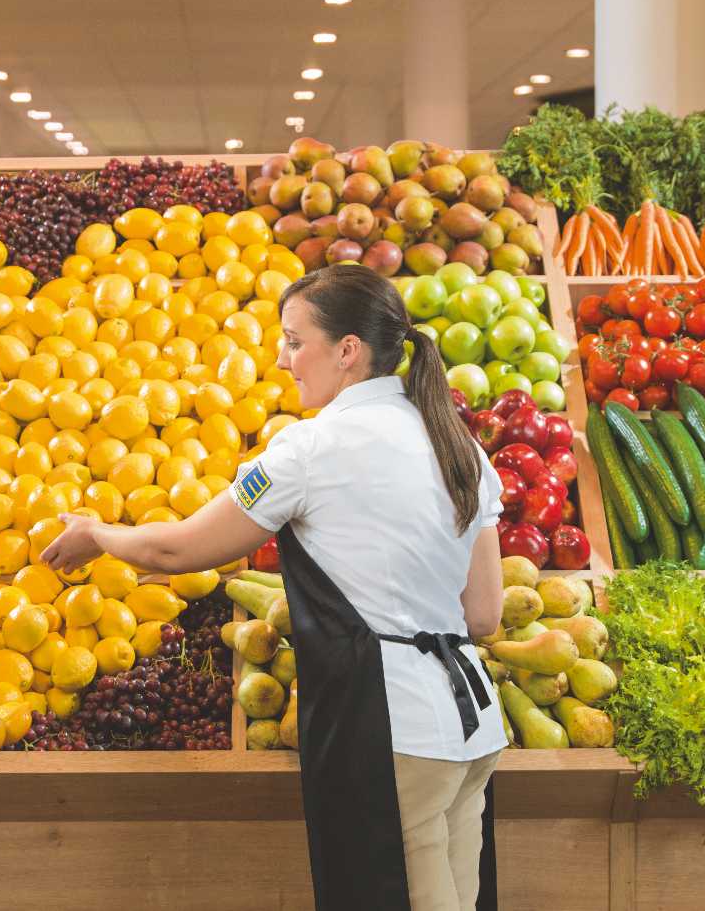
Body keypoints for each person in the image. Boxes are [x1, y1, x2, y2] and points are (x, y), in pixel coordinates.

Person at [42, 262, 506, 911]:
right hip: (474, 726)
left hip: (393, 732)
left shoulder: (310, 449)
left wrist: (98, 532)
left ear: (347, 350)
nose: (284, 358)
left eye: (295, 340)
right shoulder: (461, 445)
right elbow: (484, 614)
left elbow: (178, 546)